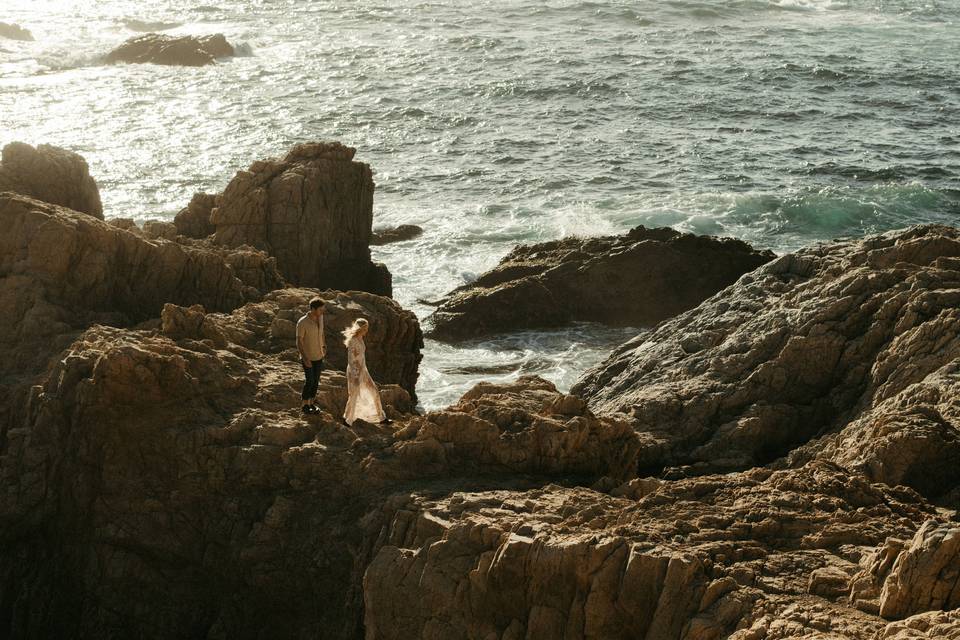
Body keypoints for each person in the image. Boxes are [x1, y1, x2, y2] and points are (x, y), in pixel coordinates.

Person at [342, 318, 386, 426]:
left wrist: (362, 371)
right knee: (354, 395)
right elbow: (351, 361)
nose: (367, 330)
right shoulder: (353, 341)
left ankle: (381, 417)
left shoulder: (360, 338)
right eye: (366, 328)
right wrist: (356, 377)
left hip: (363, 370)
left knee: (374, 391)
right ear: (361, 328)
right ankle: (347, 419)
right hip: (354, 372)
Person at [296, 297, 326, 414]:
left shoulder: (321, 318)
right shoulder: (302, 322)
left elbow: (322, 332)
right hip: (308, 357)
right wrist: (304, 358)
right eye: (320, 310)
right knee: (310, 381)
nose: (322, 312)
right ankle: (304, 406)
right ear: (313, 309)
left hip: (319, 355)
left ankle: (311, 403)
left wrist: (324, 345)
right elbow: (299, 341)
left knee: (316, 381)